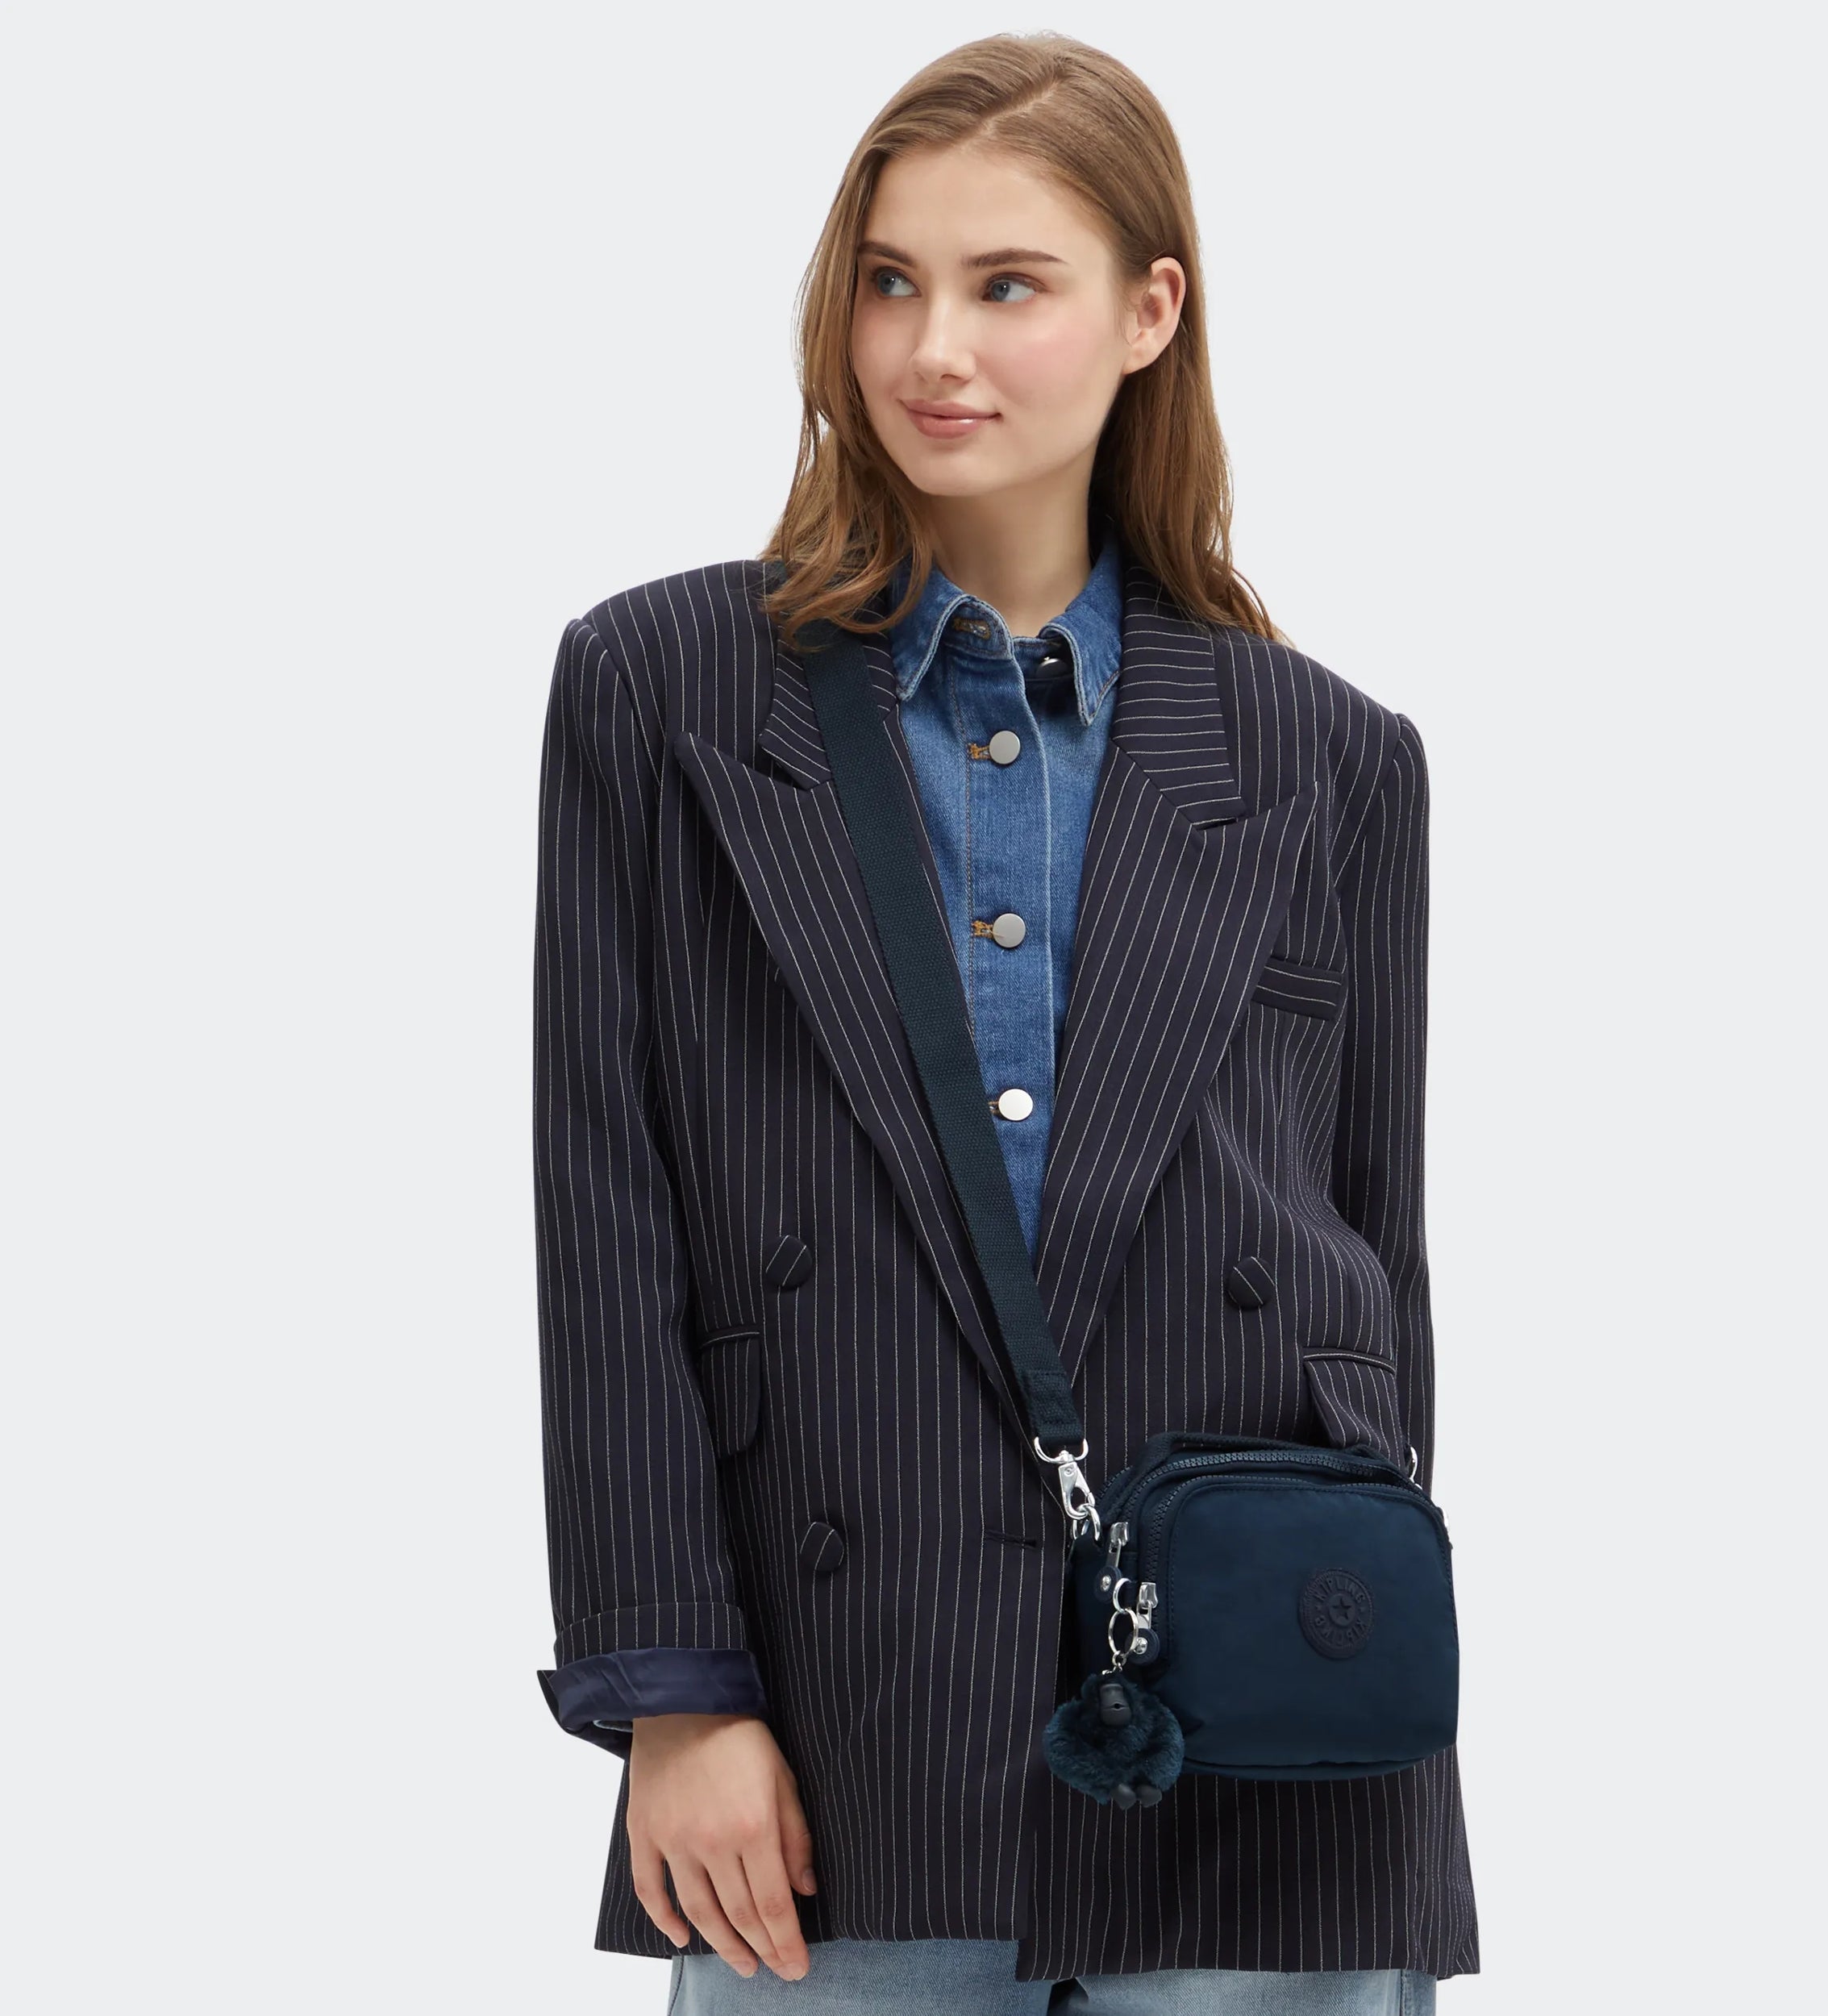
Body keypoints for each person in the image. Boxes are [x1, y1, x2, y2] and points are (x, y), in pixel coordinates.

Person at [531, 31, 1477, 2014]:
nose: (929, 348)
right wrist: (671, 1692)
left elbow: (1374, 1277)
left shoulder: (1332, 757)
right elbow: (608, 1223)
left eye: (1005, 284)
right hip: (834, 1728)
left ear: (1149, 312)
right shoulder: (667, 689)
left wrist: (1340, 1638)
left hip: (1258, 1758)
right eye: (888, 280)